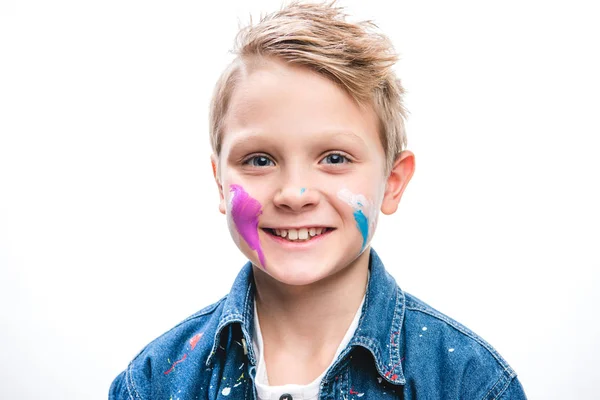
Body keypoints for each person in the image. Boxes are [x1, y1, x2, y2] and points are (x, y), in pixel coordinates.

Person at [109, 2, 527, 399]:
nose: (294, 193)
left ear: (393, 182)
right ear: (220, 183)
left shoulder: (470, 384)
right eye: (259, 159)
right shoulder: (151, 382)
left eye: (334, 158)